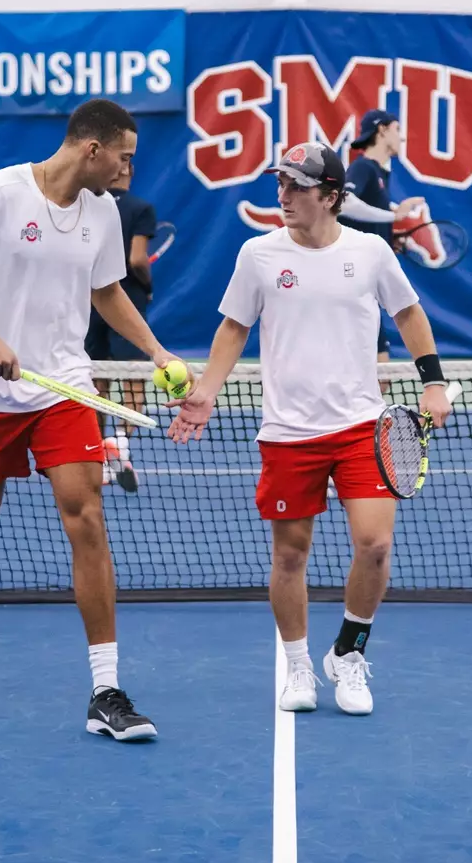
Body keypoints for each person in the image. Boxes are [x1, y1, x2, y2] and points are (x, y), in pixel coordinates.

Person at [0, 98, 190, 742]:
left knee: (84, 513)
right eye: (125, 156)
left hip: (61, 383)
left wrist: (156, 352)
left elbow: (106, 290)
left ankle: (106, 690)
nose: (129, 171)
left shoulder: (104, 214)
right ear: (92, 149)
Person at [167, 143, 451, 717]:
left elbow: (409, 313)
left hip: (360, 428)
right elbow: (232, 329)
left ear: (331, 196)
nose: (284, 194)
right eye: (281, 183)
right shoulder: (258, 254)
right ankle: (298, 664)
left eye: (297, 186)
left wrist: (434, 382)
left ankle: (348, 652)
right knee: (290, 557)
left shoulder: (370, 253)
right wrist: (207, 393)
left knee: (375, 545)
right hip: (288, 432)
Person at [84, 158, 158, 493]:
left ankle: (100, 454)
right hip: (124, 301)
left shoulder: (88, 205)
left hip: (88, 300)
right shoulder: (141, 208)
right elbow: (137, 259)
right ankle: (121, 444)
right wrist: (147, 284)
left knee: (96, 379)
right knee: (134, 381)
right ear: (130, 171)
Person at [338, 110, 425, 385]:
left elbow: (365, 218)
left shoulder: (380, 174)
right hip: (351, 282)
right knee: (377, 375)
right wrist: (394, 216)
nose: (402, 137)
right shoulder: (363, 167)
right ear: (383, 130)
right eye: (397, 129)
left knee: (380, 377)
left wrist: (390, 237)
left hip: (367, 285)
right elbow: (345, 203)